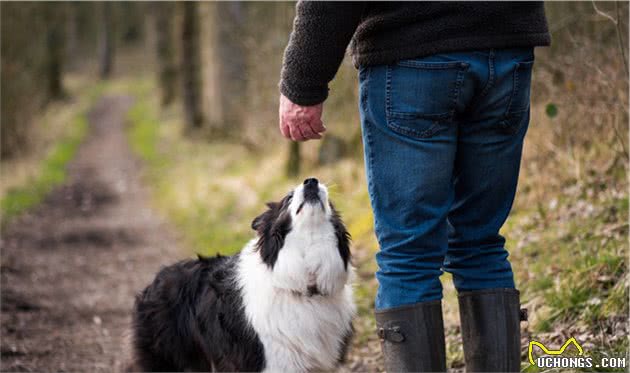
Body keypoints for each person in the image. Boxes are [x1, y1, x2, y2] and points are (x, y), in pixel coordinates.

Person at [278, 2, 550, 372]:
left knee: (410, 253)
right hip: (506, 52)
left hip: (412, 56)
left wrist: (303, 83)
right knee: (481, 242)